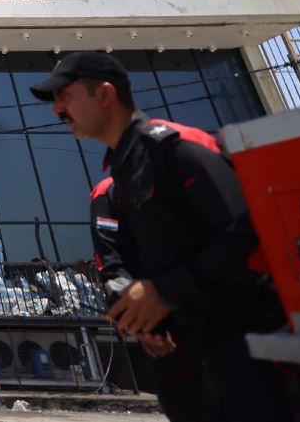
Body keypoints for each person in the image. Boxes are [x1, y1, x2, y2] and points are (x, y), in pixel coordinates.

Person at [33, 51, 300, 422]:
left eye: (64, 96)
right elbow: (129, 259)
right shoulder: (123, 174)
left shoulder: (176, 149)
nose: (57, 110)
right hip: (194, 357)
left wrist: (164, 291)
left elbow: (249, 233)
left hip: (252, 357)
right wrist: (149, 317)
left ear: (104, 94)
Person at [90, 175, 215, 421]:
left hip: (214, 314)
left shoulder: (184, 169)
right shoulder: (111, 192)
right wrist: (140, 322)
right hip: (164, 326)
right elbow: (111, 263)